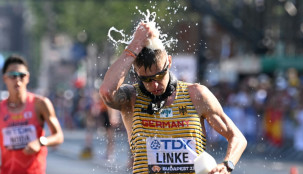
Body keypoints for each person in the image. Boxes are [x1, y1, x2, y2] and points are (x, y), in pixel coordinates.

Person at [100, 22, 247, 174]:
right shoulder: (132, 97)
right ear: (136, 73)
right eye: (147, 80)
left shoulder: (196, 95)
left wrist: (227, 165)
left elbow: (237, 137)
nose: (155, 84)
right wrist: (135, 45)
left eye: (159, 76)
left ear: (169, 62)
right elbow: (106, 91)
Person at [0, 55, 64, 174]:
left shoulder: (40, 104)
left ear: (28, 77)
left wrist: (40, 142)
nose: (18, 80)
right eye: (13, 76)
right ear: (5, 78)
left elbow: (59, 136)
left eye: (22, 75)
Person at [80, 91, 120, 160]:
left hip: (106, 112)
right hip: (103, 111)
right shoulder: (97, 97)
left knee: (110, 134)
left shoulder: (107, 95)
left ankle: (109, 153)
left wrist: (113, 116)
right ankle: (89, 147)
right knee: (90, 127)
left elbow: (111, 105)